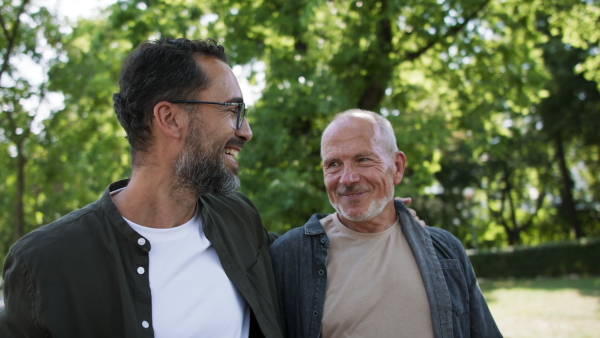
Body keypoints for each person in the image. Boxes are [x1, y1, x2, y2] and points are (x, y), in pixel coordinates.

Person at [0, 38, 282, 337]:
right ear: (170, 118)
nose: (246, 131)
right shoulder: (46, 263)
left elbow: (310, 259)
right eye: (232, 109)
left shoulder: (239, 219)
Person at [269, 109, 502, 338]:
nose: (347, 178)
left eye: (363, 160)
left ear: (397, 167)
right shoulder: (291, 255)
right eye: (333, 164)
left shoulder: (446, 249)